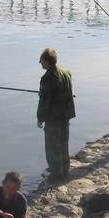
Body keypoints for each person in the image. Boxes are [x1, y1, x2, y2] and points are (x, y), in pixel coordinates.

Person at [37, 48, 75, 181]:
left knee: (53, 146)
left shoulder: (48, 78)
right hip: (66, 115)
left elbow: (44, 101)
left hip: (54, 117)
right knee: (64, 143)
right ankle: (65, 169)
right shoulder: (66, 72)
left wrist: (40, 118)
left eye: (41, 60)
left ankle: (56, 174)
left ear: (47, 62)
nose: (39, 63)